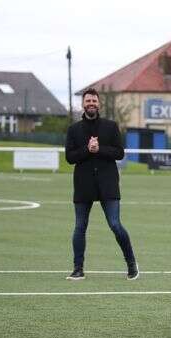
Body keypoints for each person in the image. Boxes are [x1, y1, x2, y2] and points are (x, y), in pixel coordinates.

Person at [65, 88, 139, 281]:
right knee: (80, 227)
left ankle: (131, 263)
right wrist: (87, 150)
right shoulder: (74, 130)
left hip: (108, 184)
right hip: (83, 185)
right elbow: (69, 157)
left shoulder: (111, 126)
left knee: (115, 225)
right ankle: (78, 268)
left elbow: (119, 153)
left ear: (99, 104)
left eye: (94, 101)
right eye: (88, 100)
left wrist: (99, 149)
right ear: (83, 104)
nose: (91, 103)